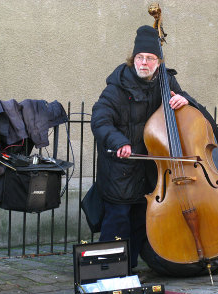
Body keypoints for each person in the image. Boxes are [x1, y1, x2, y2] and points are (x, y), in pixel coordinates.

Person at [90, 25, 197, 268]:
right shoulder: (116, 88)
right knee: (117, 222)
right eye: (140, 57)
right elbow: (100, 120)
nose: (144, 63)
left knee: (140, 221)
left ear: (158, 62)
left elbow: (191, 110)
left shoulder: (165, 81)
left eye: (150, 58)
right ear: (133, 59)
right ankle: (104, 271)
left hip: (151, 171)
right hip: (121, 169)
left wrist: (186, 100)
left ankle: (127, 270)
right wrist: (120, 142)